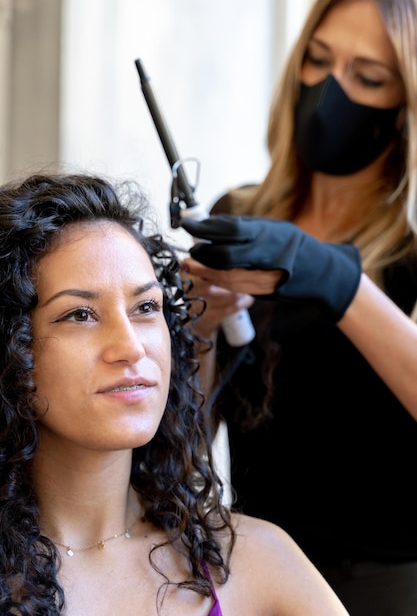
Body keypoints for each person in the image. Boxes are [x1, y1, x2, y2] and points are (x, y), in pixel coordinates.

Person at [0, 171, 349, 615]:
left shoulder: (257, 564)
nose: (131, 346)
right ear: (11, 345)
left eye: (146, 307)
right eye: (80, 314)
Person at [179, 0, 417, 614]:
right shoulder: (240, 216)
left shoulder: (409, 251)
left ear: (406, 105)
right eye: (318, 60)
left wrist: (333, 277)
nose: (331, 91)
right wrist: (202, 324)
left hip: (380, 581)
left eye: (367, 77)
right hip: (252, 564)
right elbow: (189, 439)